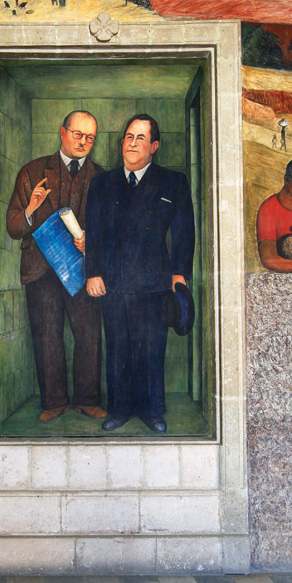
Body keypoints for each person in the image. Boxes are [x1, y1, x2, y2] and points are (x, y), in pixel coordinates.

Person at [85, 114, 195, 434]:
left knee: (151, 347)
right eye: (128, 138)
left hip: (154, 281)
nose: (132, 144)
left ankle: (151, 410)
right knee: (118, 346)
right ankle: (120, 409)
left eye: (140, 139)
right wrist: (93, 273)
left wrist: (179, 275)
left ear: (154, 146)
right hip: (113, 280)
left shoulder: (173, 182)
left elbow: (183, 233)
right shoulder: (102, 184)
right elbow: (93, 233)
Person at [6, 110, 105, 422]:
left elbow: (110, 230)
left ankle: (87, 400)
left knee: (88, 335)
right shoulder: (32, 171)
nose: (84, 142)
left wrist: (93, 241)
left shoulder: (101, 178)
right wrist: (32, 209)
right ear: (63, 133)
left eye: (90, 137)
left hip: (82, 270)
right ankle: (54, 403)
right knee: (47, 336)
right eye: (78, 134)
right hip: (41, 270)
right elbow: (12, 227)